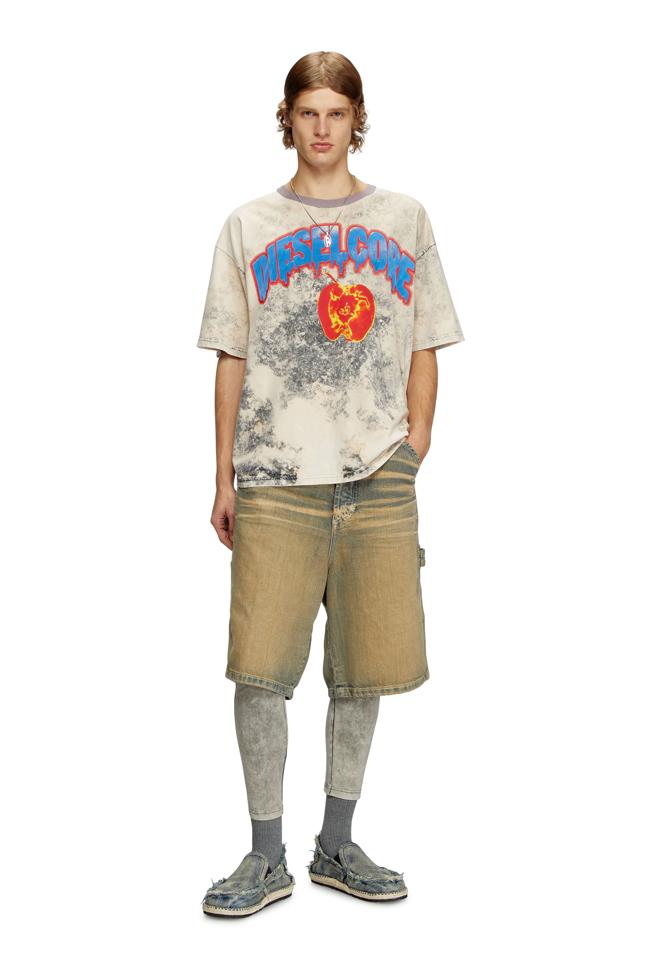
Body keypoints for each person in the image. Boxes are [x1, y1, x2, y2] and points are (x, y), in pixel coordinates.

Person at [197, 51, 465, 917]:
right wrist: (223, 474)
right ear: (287, 119)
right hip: (276, 476)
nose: (321, 129)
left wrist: (415, 443)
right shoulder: (248, 224)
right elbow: (231, 356)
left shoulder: (404, 217)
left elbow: (424, 340)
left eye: (335, 114)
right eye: (307, 112)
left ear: (356, 120)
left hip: (378, 475)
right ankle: (264, 853)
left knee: (363, 671)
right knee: (259, 671)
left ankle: (337, 845)